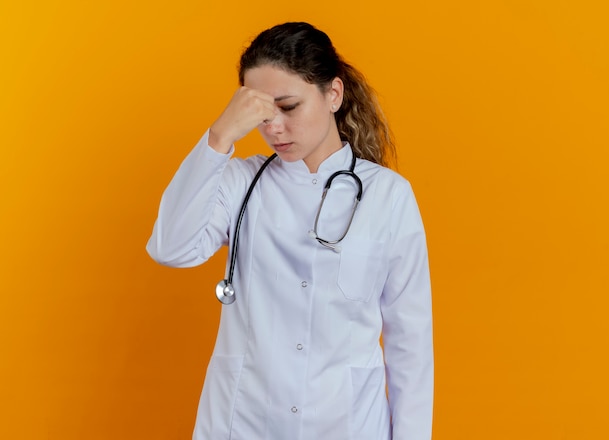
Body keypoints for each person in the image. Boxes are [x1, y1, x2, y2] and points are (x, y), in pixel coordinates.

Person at [147, 21, 433, 440]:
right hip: (242, 423)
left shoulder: (389, 196)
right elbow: (170, 248)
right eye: (261, 113)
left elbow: (411, 345)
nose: (273, 128)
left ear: (333, 94)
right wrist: (220, 135)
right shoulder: (240, 182)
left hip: (346, 426)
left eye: (289, 107)